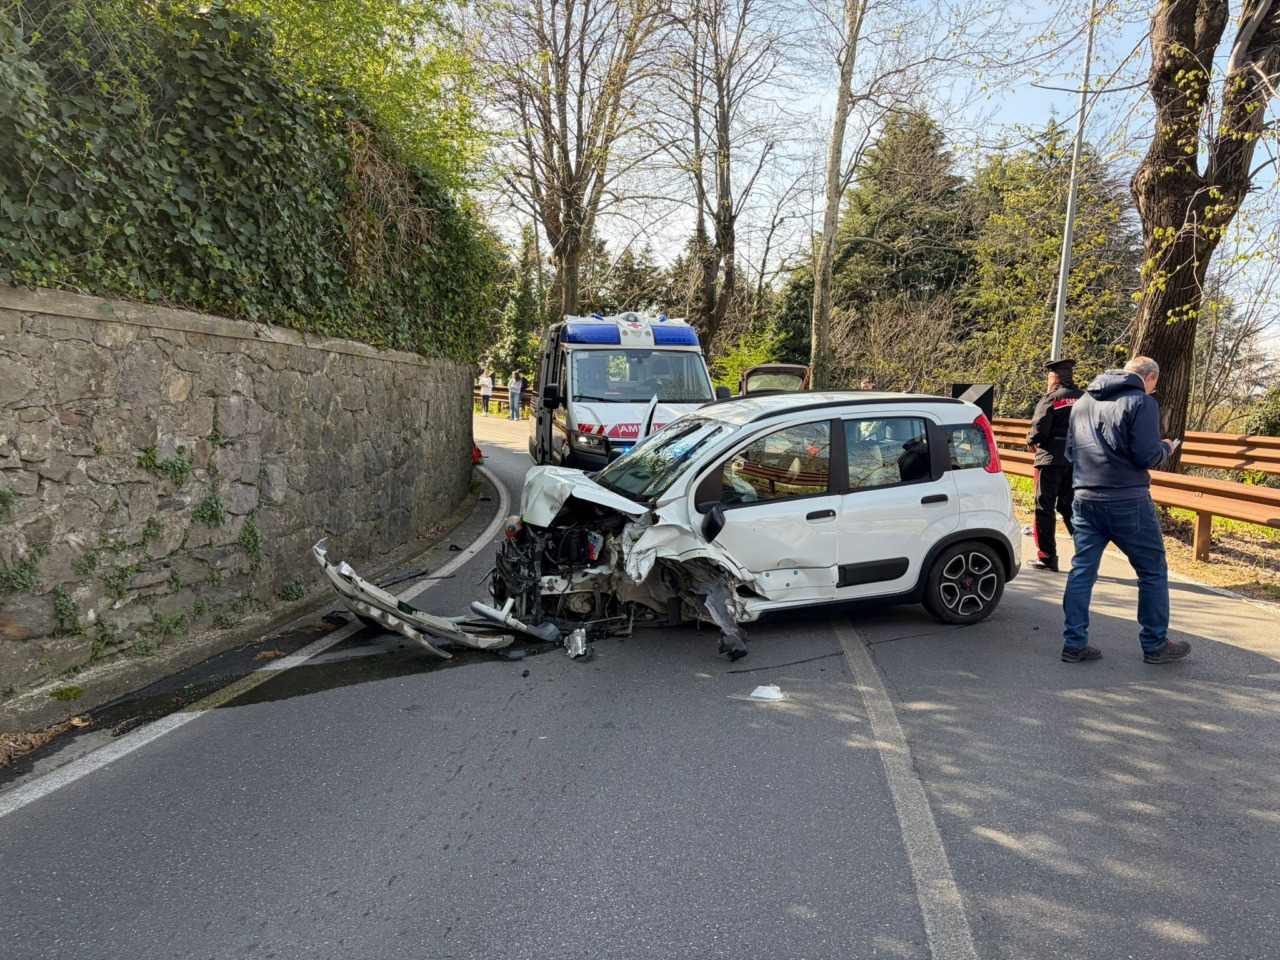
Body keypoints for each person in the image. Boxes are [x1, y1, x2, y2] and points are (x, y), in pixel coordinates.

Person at [1059, 356, 1190, 665]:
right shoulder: (1140, 402)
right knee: (1152, 570)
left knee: (1082, 571)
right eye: (1155, 384)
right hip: (1127, 500)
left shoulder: (1082, 402)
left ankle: (1074, 643)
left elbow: (1068, 451)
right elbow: (1146, 455)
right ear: (1150, 378)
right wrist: (1167, 448)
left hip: (1085, 497)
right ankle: (1155, 644)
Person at [1026, 358, 1084, 571]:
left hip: (1050, 459)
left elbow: (1040, 429)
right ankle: (1086, 555)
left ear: (1054, 378)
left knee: (1044, 507)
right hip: (1077, 461)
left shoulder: (1051, 398)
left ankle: (1048, 557)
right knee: (1069, 507)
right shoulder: (1085, 398)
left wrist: (1031, 439)